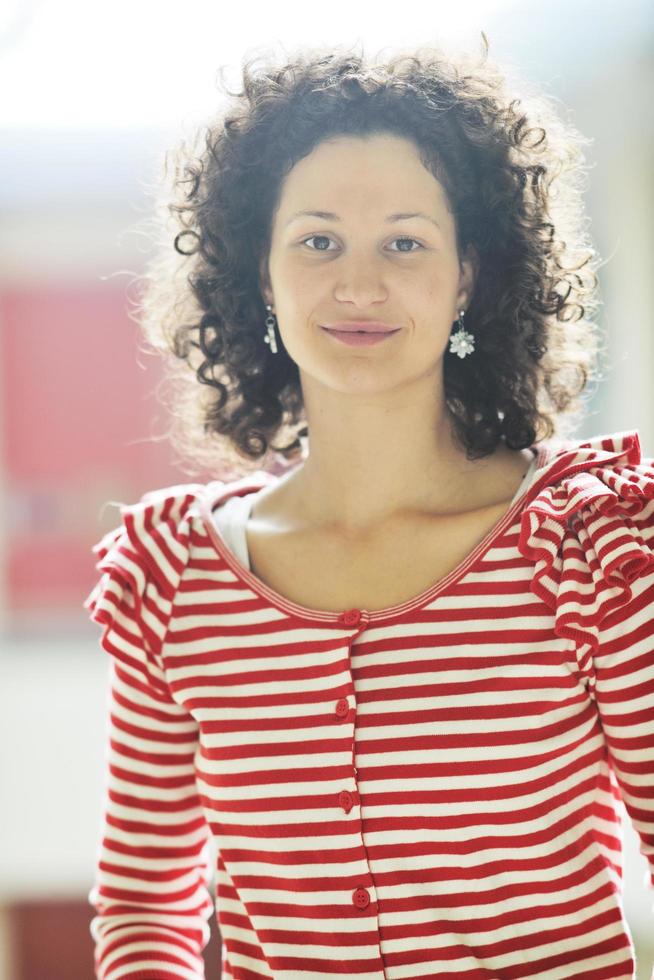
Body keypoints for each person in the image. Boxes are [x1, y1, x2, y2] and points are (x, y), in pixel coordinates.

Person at [84, 37, 654, 980]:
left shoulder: (590, 545)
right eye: (317, 240)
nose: (358, 285)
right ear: (259, 275)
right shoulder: (173, 572)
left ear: (468, 275)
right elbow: (146, 902)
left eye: (405, 241)